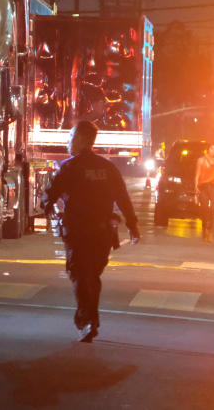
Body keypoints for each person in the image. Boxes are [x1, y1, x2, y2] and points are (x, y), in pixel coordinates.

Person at [42, 120, 139, 343]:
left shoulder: (69, 167)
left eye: (71, 137)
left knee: (80, 275)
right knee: (92, 277)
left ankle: (86, 321)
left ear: (83, 140)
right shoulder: (108, 168)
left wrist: (47, 209)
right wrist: (133, 225)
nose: (68, 142)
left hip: (77, 232)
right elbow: (123, 198)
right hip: (102, 233)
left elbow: (49, 195)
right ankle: (89, 320)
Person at [196, 143, 214, 242]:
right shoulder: (201, 160)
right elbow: (197, 173)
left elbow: (212, 163)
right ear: (208, 149)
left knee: (213, 209)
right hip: (203, 186)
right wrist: (196, 186)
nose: (213, 151)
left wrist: (206, 155)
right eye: (211, 149)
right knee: (204, 209)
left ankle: (210, 232)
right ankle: (204, 229)